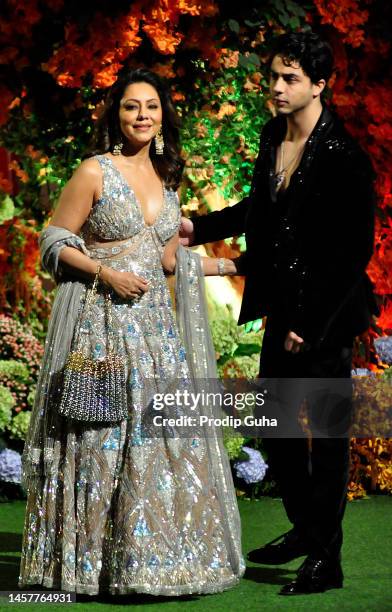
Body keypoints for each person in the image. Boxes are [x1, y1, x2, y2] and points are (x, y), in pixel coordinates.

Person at [19, 68, 245, 596]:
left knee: (159, 444)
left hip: (156, 336)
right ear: (116, 116)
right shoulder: (95, 171)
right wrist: (105, 272)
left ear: (163, 115)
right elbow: (52, 240)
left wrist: (236, 267)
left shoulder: (169, 181)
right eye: (130, 106)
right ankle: (88, 567)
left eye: (151, 106)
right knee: (101, 440)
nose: (142, 115)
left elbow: (170, 260)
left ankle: (153, 563)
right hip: (101, 326)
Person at [180, 31, 377, 595]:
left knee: (328, 441)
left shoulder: (345, 157)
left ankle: (326, 561)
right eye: (273, 77)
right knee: (277, 430)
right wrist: (202, 228)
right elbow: (261, 211)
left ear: (320, 84)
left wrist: (308, 323)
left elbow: (351, 252)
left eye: (290, 78)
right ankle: (307, 528)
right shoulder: (272, 136)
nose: (277, 87)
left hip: (327, 318)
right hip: (280, 308)